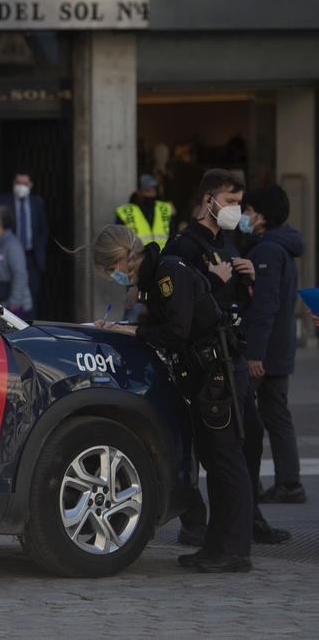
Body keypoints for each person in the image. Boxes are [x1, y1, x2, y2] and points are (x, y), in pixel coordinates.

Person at [93, 225, 252, 573]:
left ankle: (235, 548)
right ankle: (216, 545)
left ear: (122, 257)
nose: (112, 275)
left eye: (109, 268)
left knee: (225, 459)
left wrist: (130, 330)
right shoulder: (154, 277)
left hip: (217, 375)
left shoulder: (167, 272)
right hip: (205, 376)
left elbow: (176, 332)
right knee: (212, 457)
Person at [161, 169, 289, 547]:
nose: (236, 210)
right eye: (230, 202)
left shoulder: (231, 241)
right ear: (209, 200)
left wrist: (244, 277)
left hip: (232, 353)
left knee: (248, 439)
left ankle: (244, 523)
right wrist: (214, 280)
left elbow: (233, 297)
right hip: (207, 362)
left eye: (239, 202)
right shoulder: (184, 246)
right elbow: (184, 307)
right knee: (218, 451)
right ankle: (208, 528)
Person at [241, 184, 306, 503]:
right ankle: (290, 483)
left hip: (264, 352)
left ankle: (249, 485)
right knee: (277, 414)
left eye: (248, 210)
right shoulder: (282, 246)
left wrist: (254, 353)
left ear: (262, 217)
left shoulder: (267, 251)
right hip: (280, 348)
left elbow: (265, 305)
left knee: (241, 414)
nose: (243, 215)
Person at [0, 173, 47, 316]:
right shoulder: (3, 201)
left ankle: (30, 329)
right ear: (13, 183)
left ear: (30, 185)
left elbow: (43, 230)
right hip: (10, 257)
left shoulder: (37, 202)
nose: (21, 186)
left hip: (31, 258)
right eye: (18, 182)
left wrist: (40, 255)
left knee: (31, 299)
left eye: (24, 183)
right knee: (11, 298)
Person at [0, 205, 33, 317]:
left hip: (13, 310)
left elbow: (20, 275)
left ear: (1, 224)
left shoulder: (12, 245)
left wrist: (14, 304)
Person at [116, 173, 176, 248]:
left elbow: (173, 235)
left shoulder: (165, 208)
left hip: (162, 256)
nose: (151, 194)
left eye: (153, 190)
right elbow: (120, 241)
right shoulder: (125, 211)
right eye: (147, 190)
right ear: (139, 192)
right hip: (137, 257)